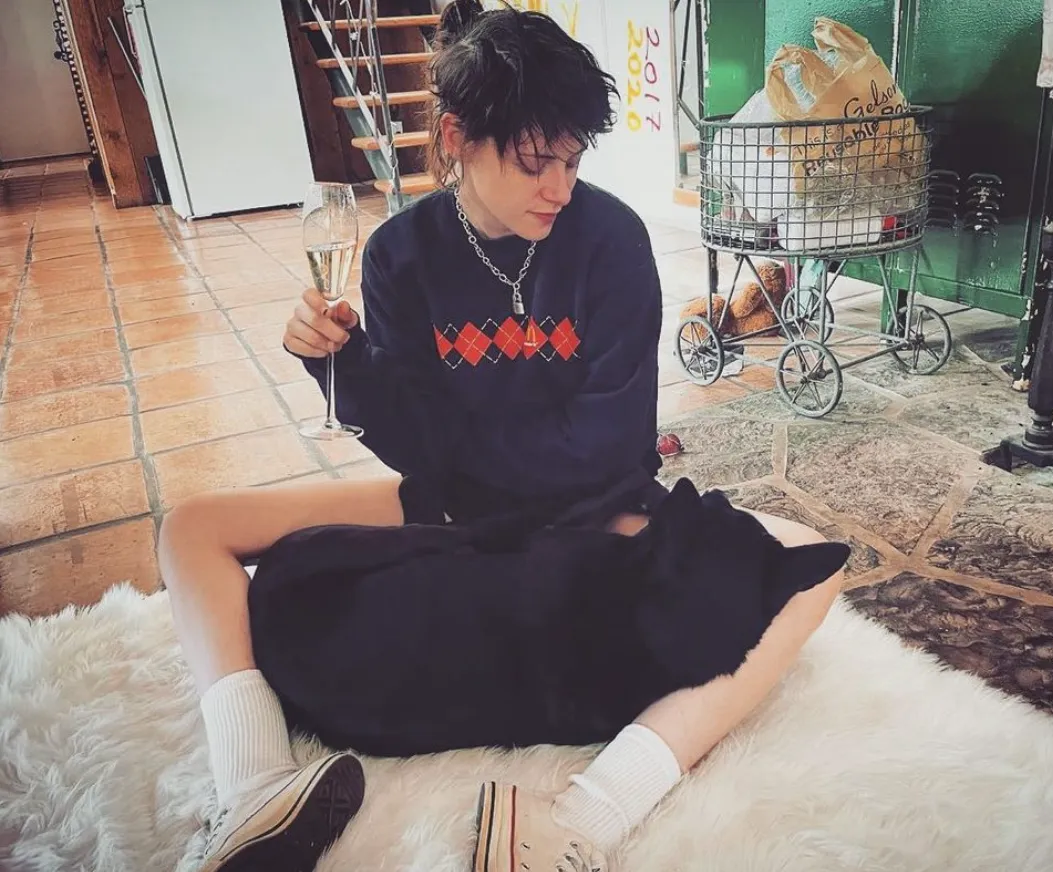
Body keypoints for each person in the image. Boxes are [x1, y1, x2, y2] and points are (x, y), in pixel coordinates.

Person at [157, 2, 844, 871]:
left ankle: (586, 816)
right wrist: (337, 365)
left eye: (572, 160)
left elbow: (606, 443)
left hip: (590, 506)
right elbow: (413, 440)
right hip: (455, 504)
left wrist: (455, 450)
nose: (559, 187)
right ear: (457, 138)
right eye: (534, 162)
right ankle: (255, 786)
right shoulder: (400, 255)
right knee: (190, 528)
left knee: (808, 562)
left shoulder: (611, 241)